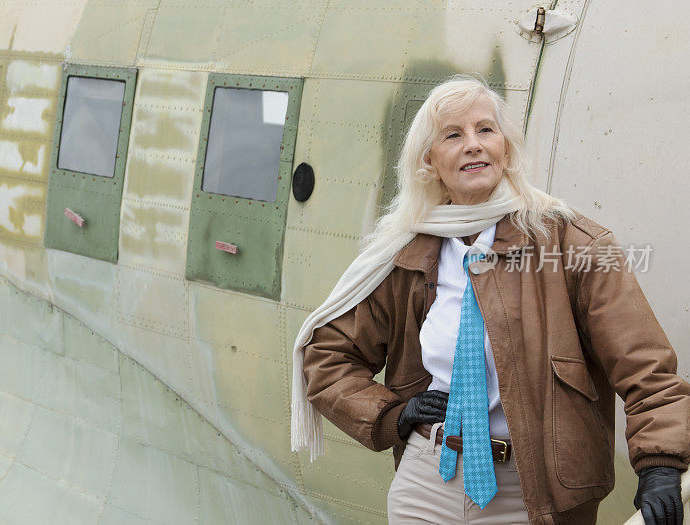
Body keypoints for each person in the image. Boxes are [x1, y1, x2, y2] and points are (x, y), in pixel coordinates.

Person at [290, 75, 690, 524]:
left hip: (534, 494)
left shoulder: (573, 244)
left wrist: (659, 463)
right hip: (427, 483)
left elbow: (647, 369)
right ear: (429, 162)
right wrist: (393, 415)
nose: (474, 145)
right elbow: (327, 356)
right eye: (453, 135)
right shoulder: (404, 254)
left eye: (486, 130)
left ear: (506, 148)